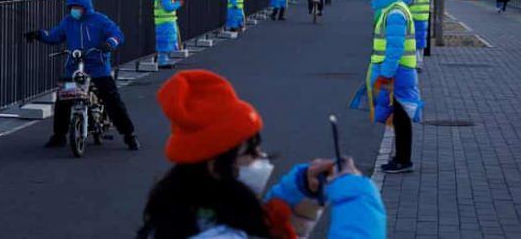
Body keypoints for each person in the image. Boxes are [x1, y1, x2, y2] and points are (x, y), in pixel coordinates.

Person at [138, 70, 386, 239]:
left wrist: (302, 189)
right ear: (215, 165)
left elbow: (262, 225)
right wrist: (357, 196)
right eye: (251, 151)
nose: (261, 158)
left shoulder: (192, 212)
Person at [25, 0, 140, 151]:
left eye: (77, 6)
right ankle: (59, 135)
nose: (74, 10)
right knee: (63, 99)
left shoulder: (100, 20)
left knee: (112, 100)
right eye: (71, 7)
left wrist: (110, 43)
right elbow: (54, 36)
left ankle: (129, 134)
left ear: (85, 6)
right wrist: (39, 35)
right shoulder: (68, 22)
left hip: (97, 66)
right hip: (75, 67)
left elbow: (117, 34)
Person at [367, 0, 422, 174]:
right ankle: (401, 157)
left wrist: (386, 74)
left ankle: (403, 160)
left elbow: (395, 48)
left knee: (401, 117)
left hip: (398, 73)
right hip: (399, 72)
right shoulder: (393, 9)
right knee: (400, 116)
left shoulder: (395, 13)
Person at [154, 0, 184, 67]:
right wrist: (178, 3)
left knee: (166, 41)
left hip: (164, 22)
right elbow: (168, 7)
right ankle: (162, 62)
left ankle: (163, 60)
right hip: (165, 22)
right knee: (166, 41)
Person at [403, 0, 430, 72]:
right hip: (424, 19)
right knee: (421, 41)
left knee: (412, 41)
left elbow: (404, 2)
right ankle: (420, 62)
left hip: (413, 19)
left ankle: (415, 63)